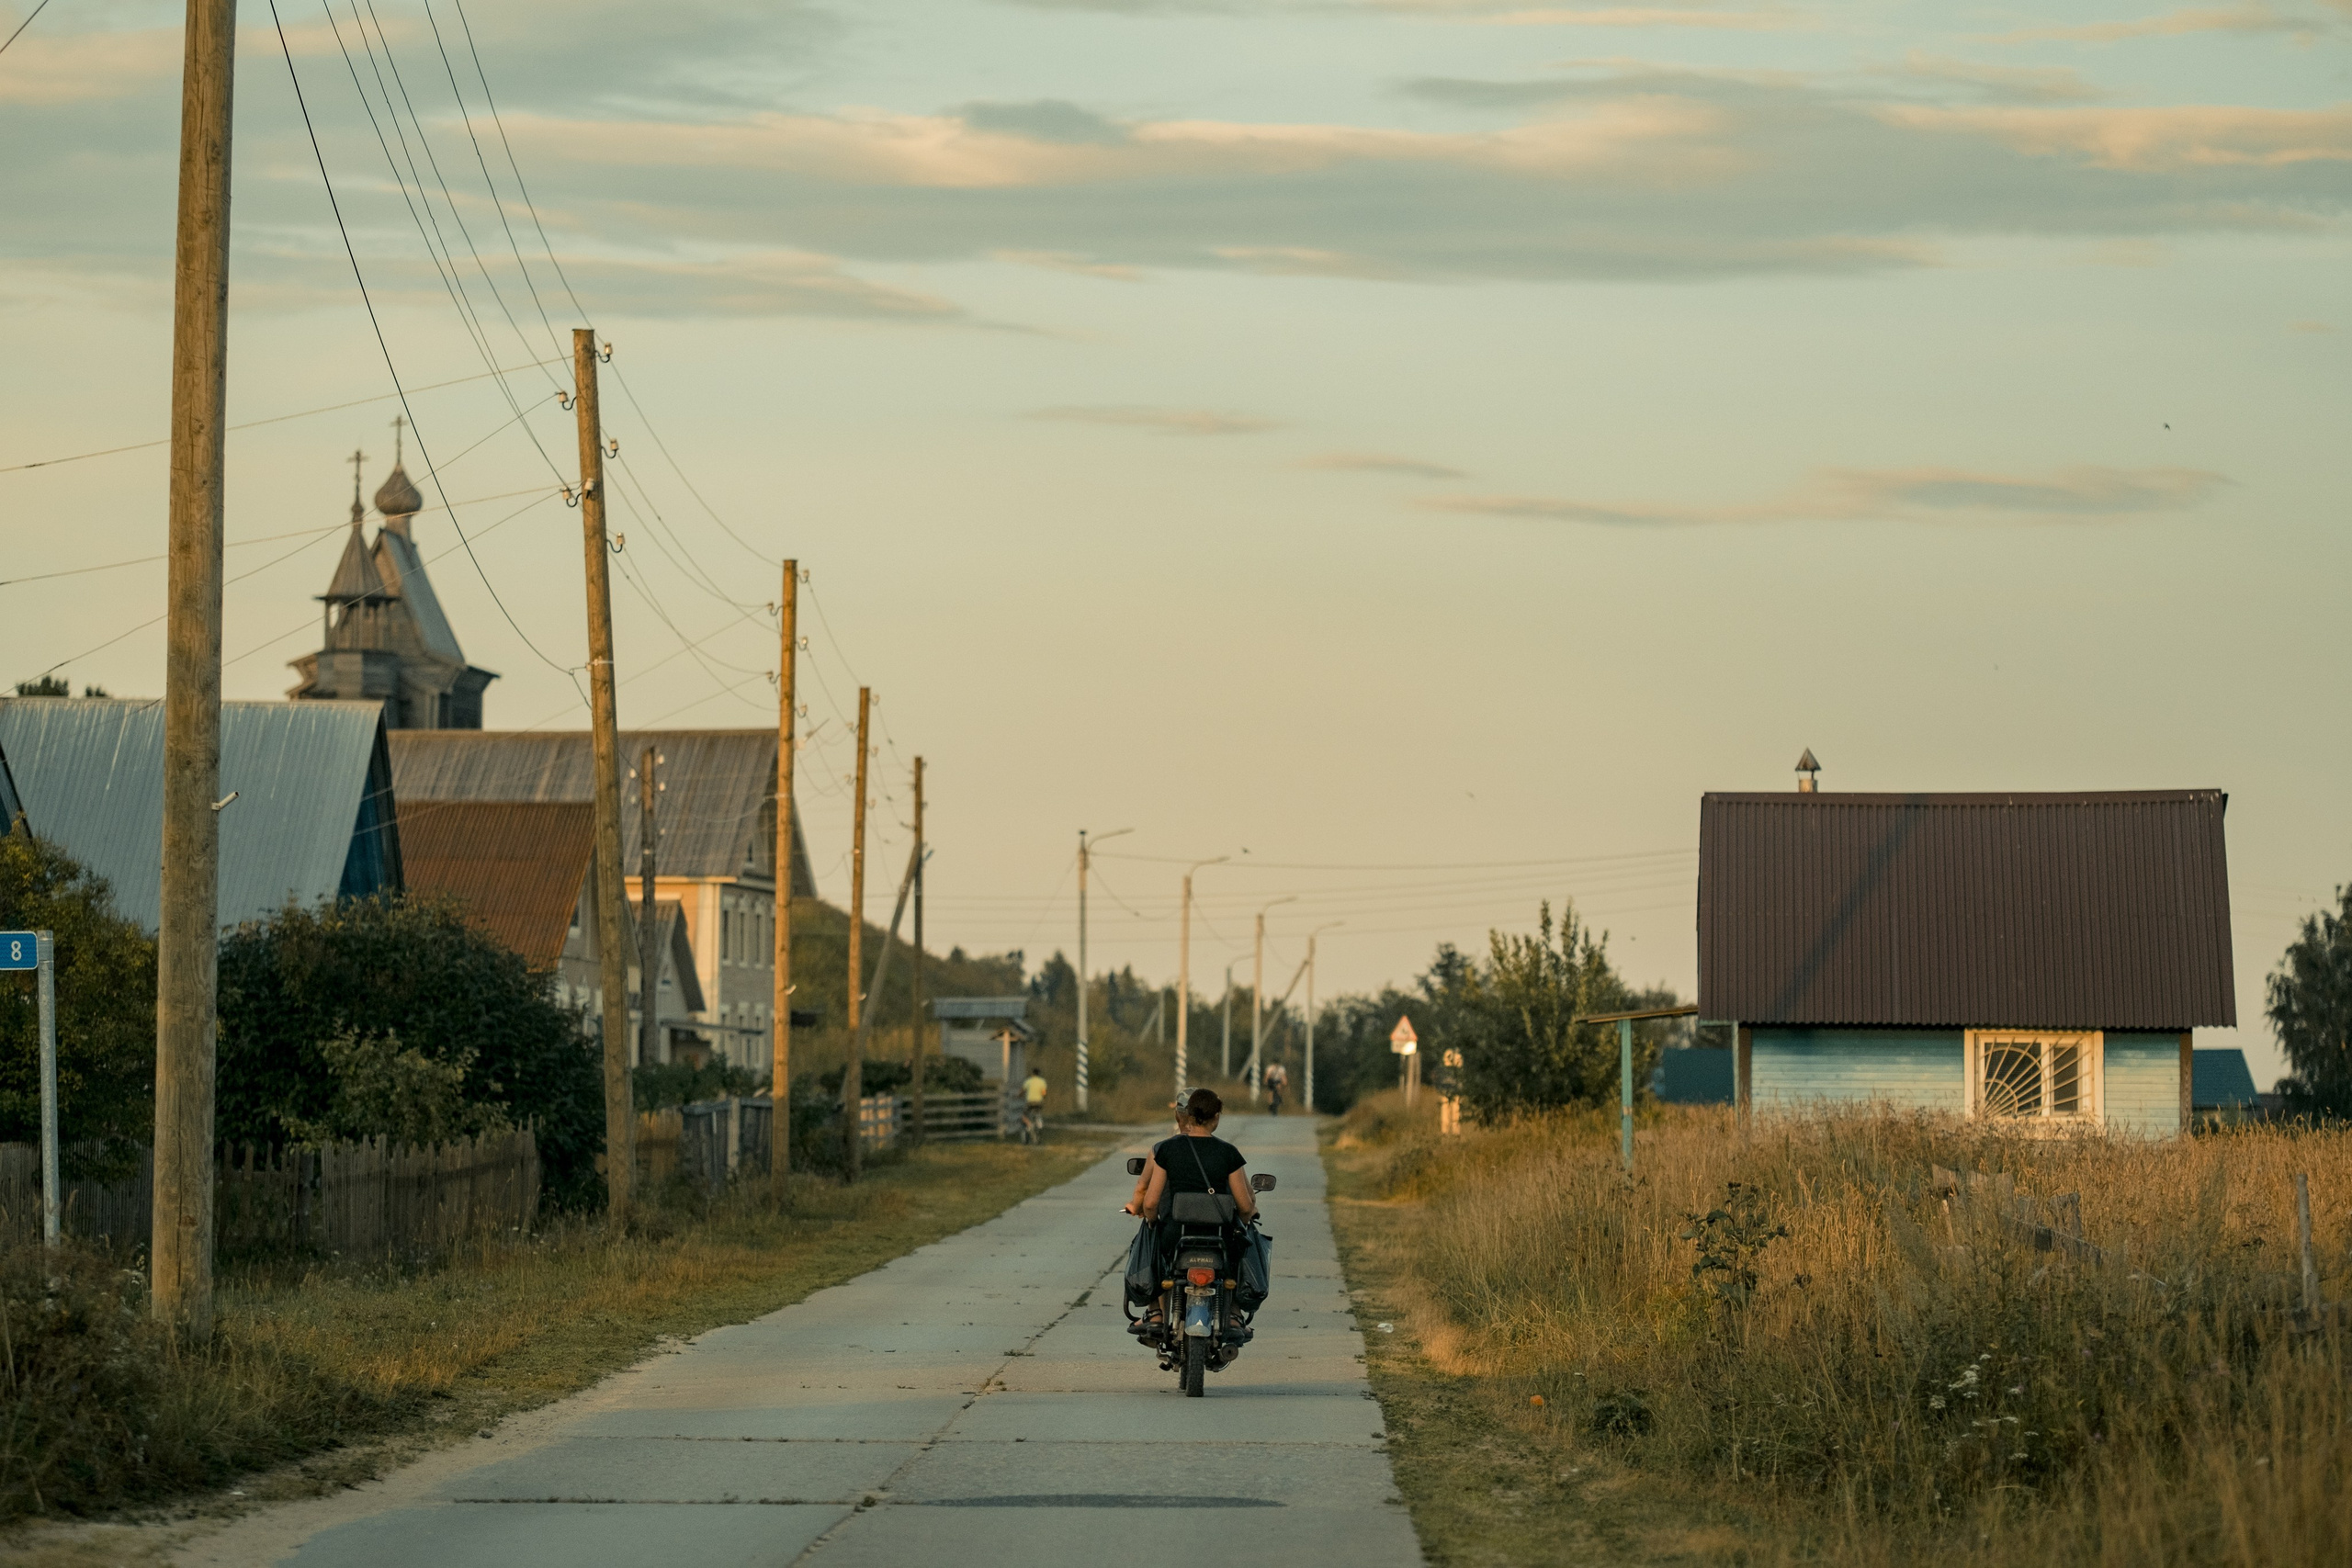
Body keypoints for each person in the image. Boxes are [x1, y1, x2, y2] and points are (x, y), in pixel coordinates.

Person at [1020, 1066, 1048, 1144]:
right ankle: (1039, 1123)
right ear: (1039, 1074)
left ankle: (1030, 1125)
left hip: (1030, 1103)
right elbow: (1044, 1093)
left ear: (1032, 1074)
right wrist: (1042, 1096)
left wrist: (1019, 1095)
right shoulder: (1042, 1081)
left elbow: (1023, 1091)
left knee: (1024, 1116)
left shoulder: (1028, 1081)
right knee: (1038, 1113)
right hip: (1039, 1103)